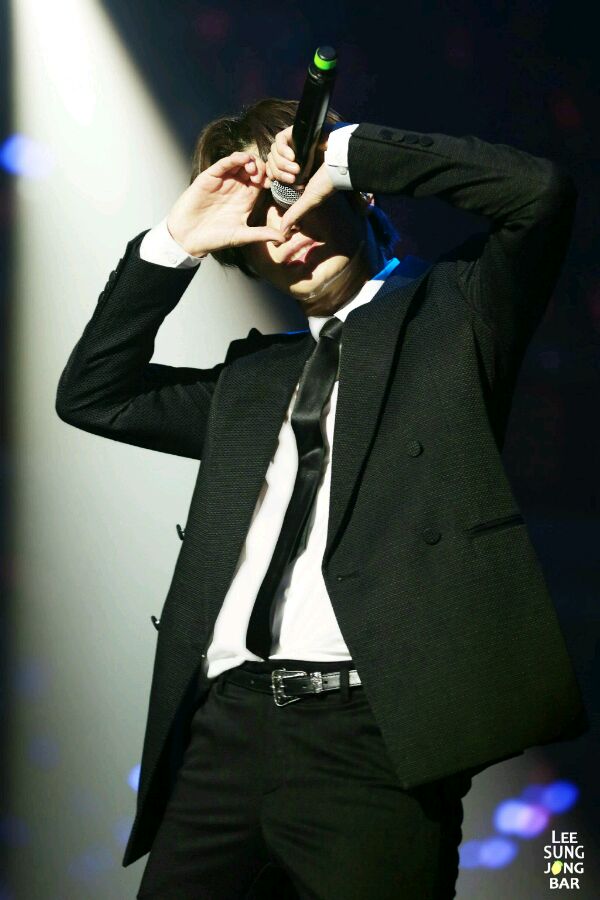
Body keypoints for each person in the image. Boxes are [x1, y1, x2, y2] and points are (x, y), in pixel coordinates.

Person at [55, 97, 589, 899]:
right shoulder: (250, 381)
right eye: (263, 221)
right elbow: (94, 395)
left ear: (357, 197)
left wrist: (343, 153)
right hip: (222, 731)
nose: (287, 230)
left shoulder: (454, 314)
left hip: (369, 737)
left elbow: (538, 194)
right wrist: (176, 241)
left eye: (298, 201)